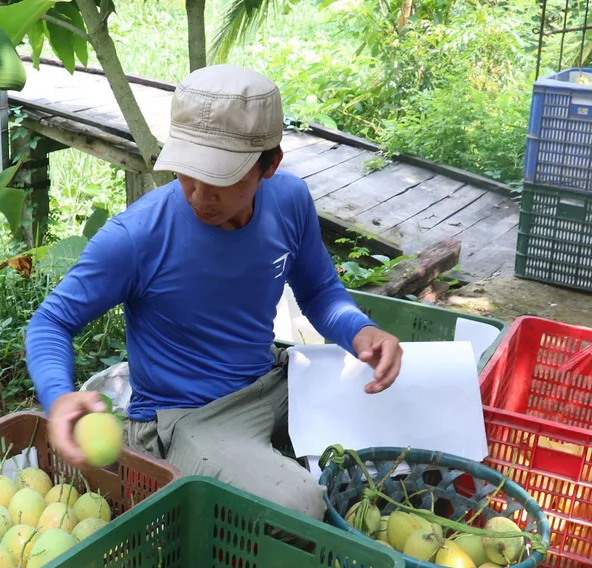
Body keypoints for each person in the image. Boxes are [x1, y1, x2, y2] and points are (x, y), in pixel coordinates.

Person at [25, 64, 403, 519]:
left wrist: (359, 330)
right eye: (188, 172)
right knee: (300, 506)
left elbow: (320, 290)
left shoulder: (289, 201)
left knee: (402, 419)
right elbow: (51, 321)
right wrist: (58, 395)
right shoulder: (138, 237)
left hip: (270, 380)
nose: (200, 195)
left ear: (270, 164)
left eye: (222, 177)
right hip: (188, 417)